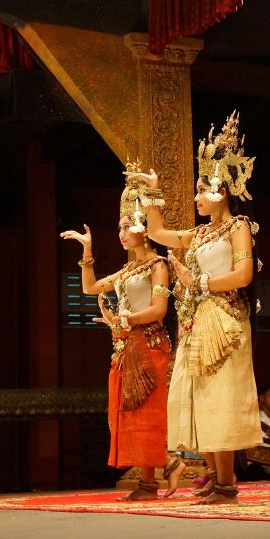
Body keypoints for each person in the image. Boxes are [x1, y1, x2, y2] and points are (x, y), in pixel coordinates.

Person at [132, 112, 264, 504]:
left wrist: (199, 282)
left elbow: (243, 275)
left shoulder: (238, 226)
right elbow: (157, 233)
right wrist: (154, 193)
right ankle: (215, 475)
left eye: (202, 190)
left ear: (221, 190)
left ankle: (226, 483)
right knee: (198, 397)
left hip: (226, 321)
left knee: (221, 398)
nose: (196, 197)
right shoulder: (200, 233)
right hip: (197, 320)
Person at [59, 172, 186, 500]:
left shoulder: (158, 265)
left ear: (143, 229)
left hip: (150, 345)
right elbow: (90, 287)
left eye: (127, 226)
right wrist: (87, 251)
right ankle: (159, 473)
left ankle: (156, 476)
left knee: (147, 413)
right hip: (126, 346)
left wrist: (125, 319)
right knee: (126, 414)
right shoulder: (126, 271)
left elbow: (158, 310)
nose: (121, 233)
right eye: (119, 228)